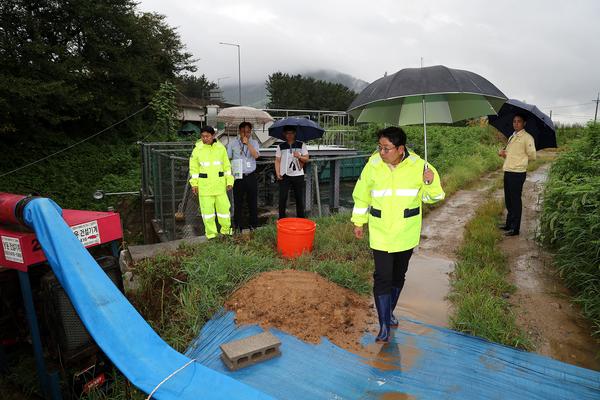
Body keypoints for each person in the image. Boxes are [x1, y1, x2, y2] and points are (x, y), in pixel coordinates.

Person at [351, 127, 445, 343]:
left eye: (386, 148)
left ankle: (389, 311)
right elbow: (362, 194)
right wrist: (359, 221)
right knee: (382, 276)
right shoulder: (373, 164)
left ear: (400, 149)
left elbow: (436, 197)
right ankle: (384, 324)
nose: (381, 152)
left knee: (398, 275)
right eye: (380, 147)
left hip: (405, 232)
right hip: (381, 230)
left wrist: (429, 182)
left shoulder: (421, 166)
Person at [189, 126, 233, 239]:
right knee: (207, 213)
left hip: (220, 186)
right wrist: (194, 184)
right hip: (205, 188)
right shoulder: (197, 149)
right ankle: (211, 235)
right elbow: (193, 169)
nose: (205, 138)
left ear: (213, 136)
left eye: (207, 136)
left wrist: (229, 181)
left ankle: (226, 232)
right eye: (203, 136)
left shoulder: (220, 148)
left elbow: (227, 166)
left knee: (224, 211)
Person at [498, 113, 536, 236]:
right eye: (514, 121)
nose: (516, 123)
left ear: (524, 123)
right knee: (509, 200)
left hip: (517, 173)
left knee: (515, 201)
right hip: (508, 170)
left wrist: (521, 161)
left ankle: (515, 229)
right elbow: (509, 155)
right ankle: (509, 224)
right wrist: (503, 154)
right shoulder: (512, 136)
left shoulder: (527, 138)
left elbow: (532, 155)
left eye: (519, 121)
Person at [227, 121, 260, 232]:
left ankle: (253, 226)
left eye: (248, 132)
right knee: (238, 202)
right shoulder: (232, 143)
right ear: (239, 131)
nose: (245, 134)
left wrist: (247, 144)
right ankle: (238, 227)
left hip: (250, 175)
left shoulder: (254, 143)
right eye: (243, 132)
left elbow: (256, 155)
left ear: (250, 132)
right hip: (238, 176)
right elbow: (228, 159)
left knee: (252, 202)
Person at [275, 125, 309, 219]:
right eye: (287, 133)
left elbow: (306, 159)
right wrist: (277, 172)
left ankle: (301, 219)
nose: (289, 135)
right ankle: (281, 219)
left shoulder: (301, 145)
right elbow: (277, 160)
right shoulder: (280, 146)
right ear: (284, 134)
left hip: (298, 175)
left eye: (291, 133)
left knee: (299, 198)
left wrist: (299, 156)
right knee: (282, 198)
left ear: (295, 134)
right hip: (284, 175)